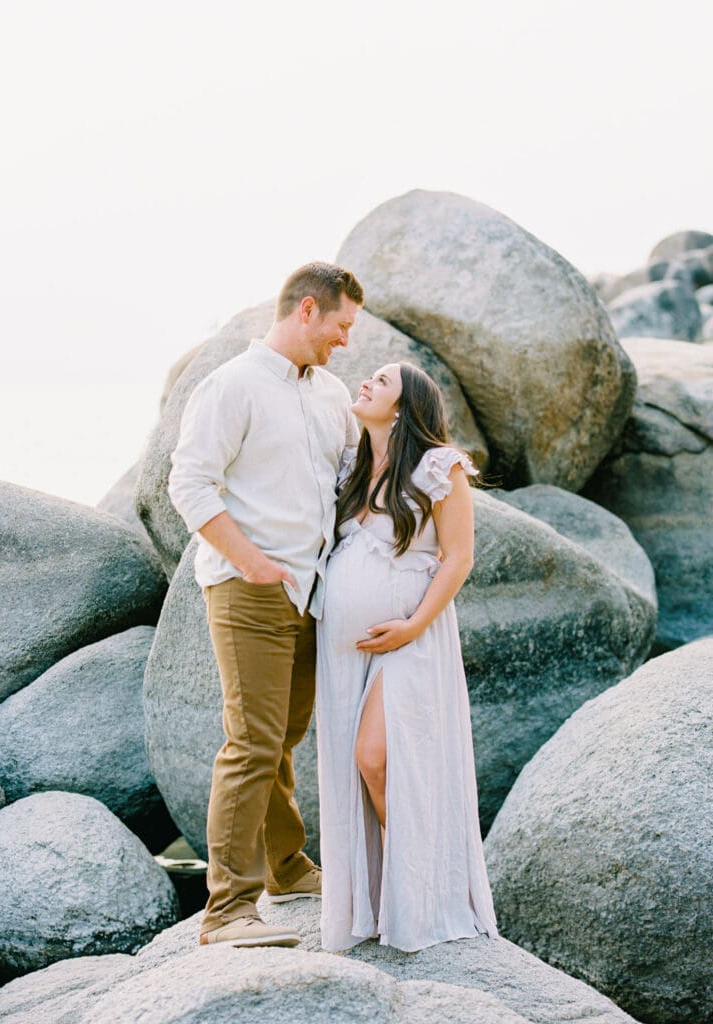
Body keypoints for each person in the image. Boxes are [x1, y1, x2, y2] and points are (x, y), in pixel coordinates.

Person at [167, 261, 363, 948]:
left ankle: (285, 866)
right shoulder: (232, 386)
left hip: (313, 591)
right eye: (341, 326)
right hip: (248, 589)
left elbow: (350, 482)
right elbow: (189, 485)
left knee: (282, 738)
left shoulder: (333, 393)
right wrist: (250, 561)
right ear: (306, 310)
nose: (345, 340)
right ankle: (227, 911)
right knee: (252, 742)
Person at [316, 361, 498, 953]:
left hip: (413, 638)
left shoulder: (438, 468)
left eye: (382, 381)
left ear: (403, 407)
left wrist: (412, 626)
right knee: (362, 767)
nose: (365, 382)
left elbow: (457, 558)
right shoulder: (352, 467)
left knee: (377, 757)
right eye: (369, 375)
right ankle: (392, 893)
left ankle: (422, 891)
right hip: (347, 651)